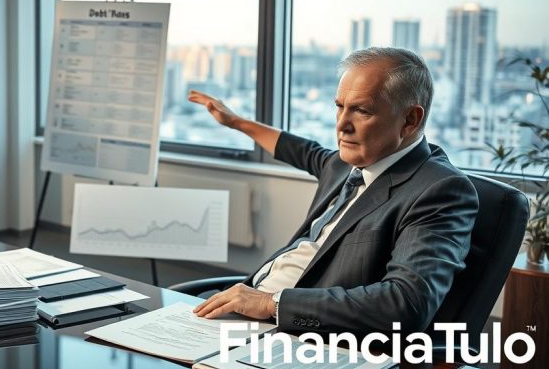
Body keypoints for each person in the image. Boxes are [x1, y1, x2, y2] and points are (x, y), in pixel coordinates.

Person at [189, 47, 478, 335]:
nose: (342, 125)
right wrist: (236, 122)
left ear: (410, 120)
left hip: (303, 336)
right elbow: (301, 150)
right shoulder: (344, 164)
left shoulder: (440, 190)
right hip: (245, 310)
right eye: (340, 106)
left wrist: (270, 304)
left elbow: (406, 303)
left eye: (361, 110)